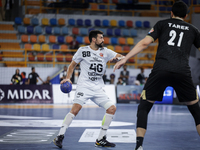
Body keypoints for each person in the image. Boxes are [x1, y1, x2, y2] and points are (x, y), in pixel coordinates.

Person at [114, 1, 200, 150]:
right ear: (186, 16)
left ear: (171, 13)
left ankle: (139, 146)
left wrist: (125, 58)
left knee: (144, 107)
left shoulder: (162, 24)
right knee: (196, 110)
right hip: (182, 72)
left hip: (161, 69)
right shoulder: (193, 30)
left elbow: (144, 43)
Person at [53, 30, 124, 148]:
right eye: (101, 38)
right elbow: (72, 65)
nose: (103, 40)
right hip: (84, 86)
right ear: (94, 39)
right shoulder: (83, 51)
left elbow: (118, 56)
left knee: (111, 108)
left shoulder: (105, 51)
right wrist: (68, 78)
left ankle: (100, 139)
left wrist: (121, 58)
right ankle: (59, 136)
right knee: (75, 109)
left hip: (98, 88)